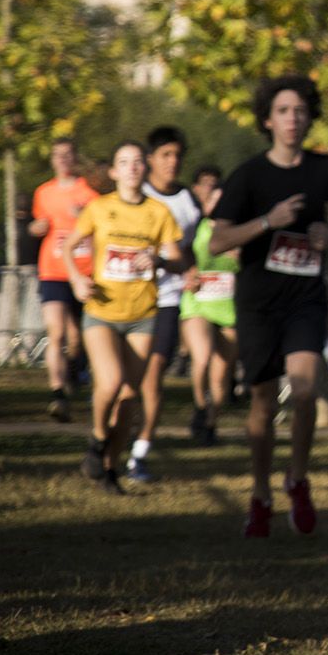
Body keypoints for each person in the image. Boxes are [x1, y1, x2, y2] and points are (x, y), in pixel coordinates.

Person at [209, 75, 328, 538]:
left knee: (305, 389)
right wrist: (269, 221)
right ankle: (260, 493)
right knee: (263, 402)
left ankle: (298, 479)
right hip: (259, 303)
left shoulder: (327, 170)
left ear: (310, 119)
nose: (293, 119)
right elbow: (218, 239)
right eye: (284, 111)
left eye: (301, 111)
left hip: (305, 298)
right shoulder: (248, 176)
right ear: (268, 120)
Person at [63, 141, 183, 495]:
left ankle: (111, 470)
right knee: (111, 382)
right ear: (113, 172)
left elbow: (178, 260)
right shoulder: (100, 208)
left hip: (142, 315)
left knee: (130, 397)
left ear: (145, 169)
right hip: (101, 311)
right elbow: (70, 247)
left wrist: (159, 261)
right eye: (123, 162)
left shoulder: (159, 213)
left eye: (136, 162)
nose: (131, 167)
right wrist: (76, 280)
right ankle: (98, 440)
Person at [129, 126, 201, 482]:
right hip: (126, 299)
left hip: (167, 298)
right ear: (151, 159)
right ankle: (113, 440)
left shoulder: (188, 201)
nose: (173, 163)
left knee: (153, 376)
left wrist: (192, 270)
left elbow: (191, 247)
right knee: (127, 379)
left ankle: (140, 450)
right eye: (165, 155)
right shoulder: (135, 194)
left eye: (177, 156)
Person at [27, 137, 97, 422]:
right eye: (58, 155)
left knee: (77, 338)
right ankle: (57, 394)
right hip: (53, 270)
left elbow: (102, 227)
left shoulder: (90, 193)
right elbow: (37, 224)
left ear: (75, 158)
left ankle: (75, 372)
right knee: (55, 333)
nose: (63, 160)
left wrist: (86, 218)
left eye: (68, 155)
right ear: (52, 160)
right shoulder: (43, 192)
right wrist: (36, 227)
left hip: (83, 271)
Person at [180, 164, 238, 445]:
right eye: (212, 196)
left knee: (222, 375)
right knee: (201, 357)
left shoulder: (238, 232)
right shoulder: (196, 228)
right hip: (198, 304)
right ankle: (200, 408)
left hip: (228, 308)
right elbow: (178, 255)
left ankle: (210, 423)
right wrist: (187, 272)